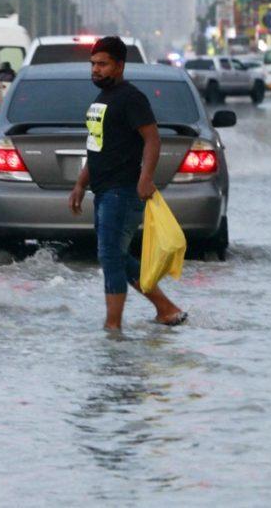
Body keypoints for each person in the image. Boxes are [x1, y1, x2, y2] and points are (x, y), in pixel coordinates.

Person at [68, 36, 187, 331]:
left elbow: (152, 139)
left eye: (103, 64)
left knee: (110, 255)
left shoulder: (131, 98)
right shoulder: (101, 100)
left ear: (120, 66)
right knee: (115, 255)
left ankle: (113, 328)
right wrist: (81, 184)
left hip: (123, 191)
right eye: (93, 64)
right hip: (103, 189)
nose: (96, 70)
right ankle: (166, 309)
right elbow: (96, 147)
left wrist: (146, 178)